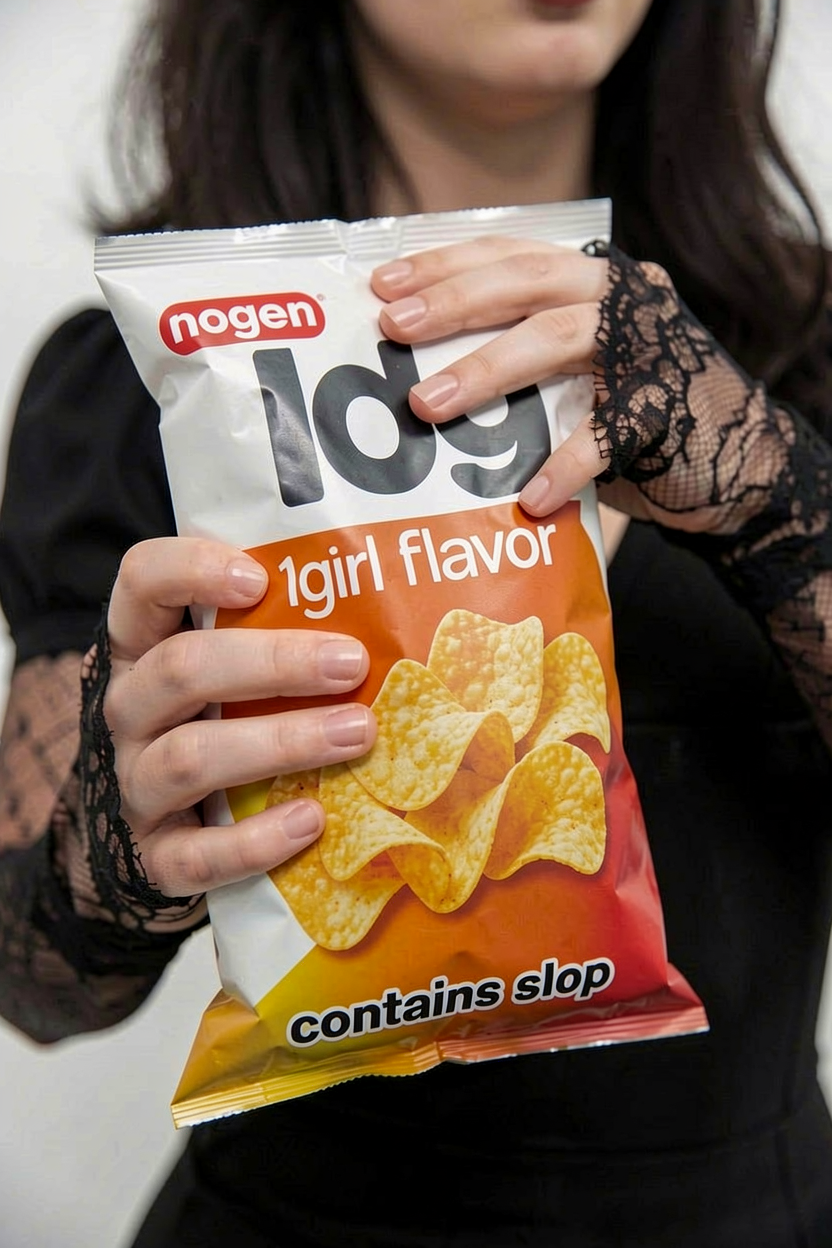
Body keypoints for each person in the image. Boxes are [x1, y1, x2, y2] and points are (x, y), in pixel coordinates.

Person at [1, 0, 831, 1243]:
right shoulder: (150, 384)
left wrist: (762, 478)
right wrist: (118, 838)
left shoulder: (797, 347)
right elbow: (35, 987)